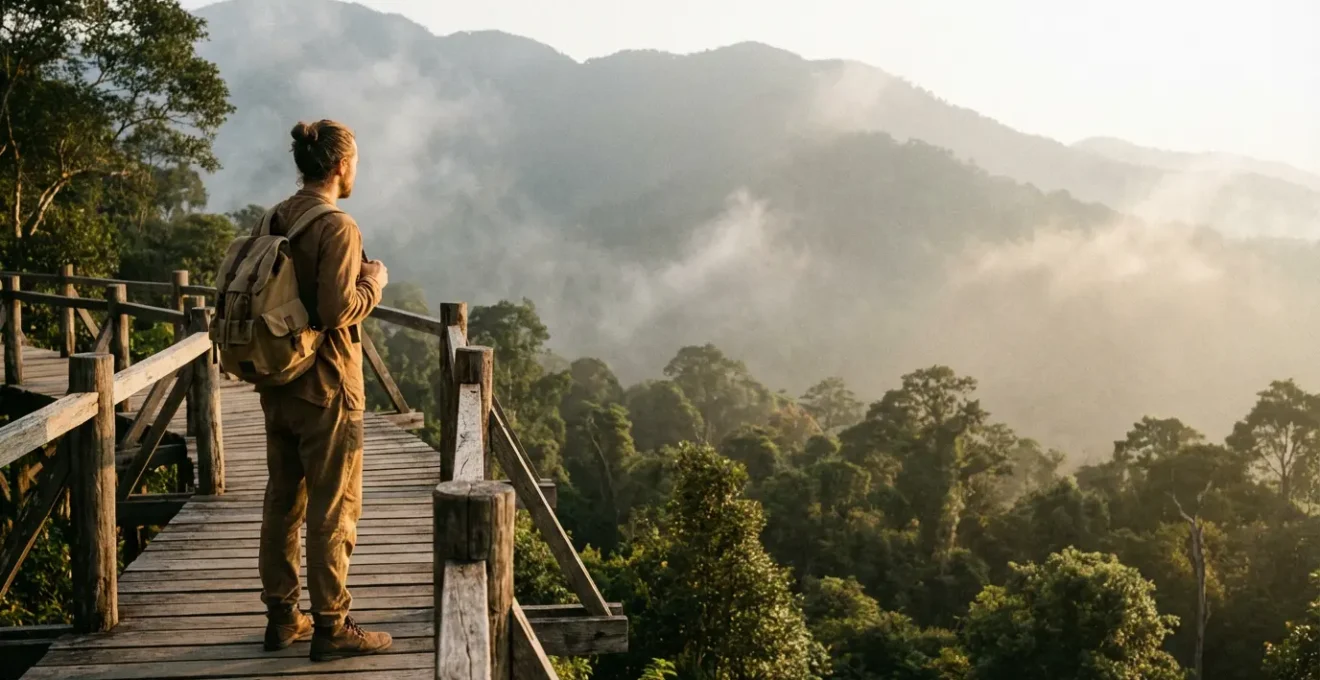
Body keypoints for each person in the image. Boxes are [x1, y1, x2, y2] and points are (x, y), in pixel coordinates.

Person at [257, 119, 392, 661]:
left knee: (282, 503)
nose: (356, 170)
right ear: (340, 165)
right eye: (355, 161)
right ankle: (332, 625)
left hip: (277, 381)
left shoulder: (274, 216)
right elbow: (337, 310)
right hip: (328, 388)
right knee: (334, 508)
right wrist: (374, 282)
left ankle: (283, 617)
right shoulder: (337, 226)